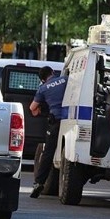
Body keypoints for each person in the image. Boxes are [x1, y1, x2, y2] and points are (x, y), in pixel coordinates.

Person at [30, 66, 68, 198]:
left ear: (42, 79)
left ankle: (39, 183)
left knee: (48, 153)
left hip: (55, 122)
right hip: (70, 120)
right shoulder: (65, 79)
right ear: (52, 73)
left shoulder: (43, 88)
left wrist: (42, 110)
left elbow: (33, 109)